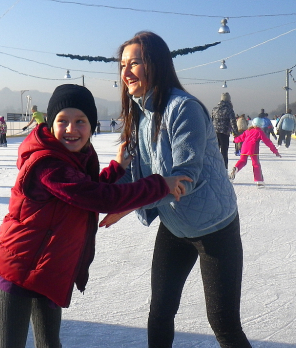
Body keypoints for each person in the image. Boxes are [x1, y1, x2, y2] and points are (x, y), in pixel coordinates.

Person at [0, 84, 191, 348]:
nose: (71, 130)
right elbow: (98, 197)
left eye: (80, 121)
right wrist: (160, 184)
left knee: (50, 344)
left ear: (92, 125)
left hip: (46, 270)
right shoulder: (47, 163)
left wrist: (116, 168)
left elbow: (87, 188)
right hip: (16, 269)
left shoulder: (78, 156)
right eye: (63, 121)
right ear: (50, 124)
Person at [100, 31, 252, 348]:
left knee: (224, 324)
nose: (126, 71)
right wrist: (110, 196)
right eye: (123, 64)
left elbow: (184, 179)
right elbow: (140, 175)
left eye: (135, 63)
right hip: (174, 225)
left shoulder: (183, 109)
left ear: (156, 65)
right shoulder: (139, 116)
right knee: (160, 314)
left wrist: (130, 201)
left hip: (215, 228)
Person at [229, 117, 281, 188]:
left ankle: (236, 168)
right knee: (255, 164)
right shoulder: (259, 131)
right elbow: (268, 142)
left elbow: (241, 137)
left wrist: (235, 140)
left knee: (242, 161)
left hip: (244, 148)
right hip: (253, 149)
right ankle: (259, 181)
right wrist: (275, 151)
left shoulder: (248, 130)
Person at [211, 92, 239, 169]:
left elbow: (211, 121)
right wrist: (236, 133)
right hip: (224, 133)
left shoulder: (215, 109)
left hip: (215, 133)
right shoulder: (229, 109)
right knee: (224, 152)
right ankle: (224, 169)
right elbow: (233, 122)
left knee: (215, 152)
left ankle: (214, 169)